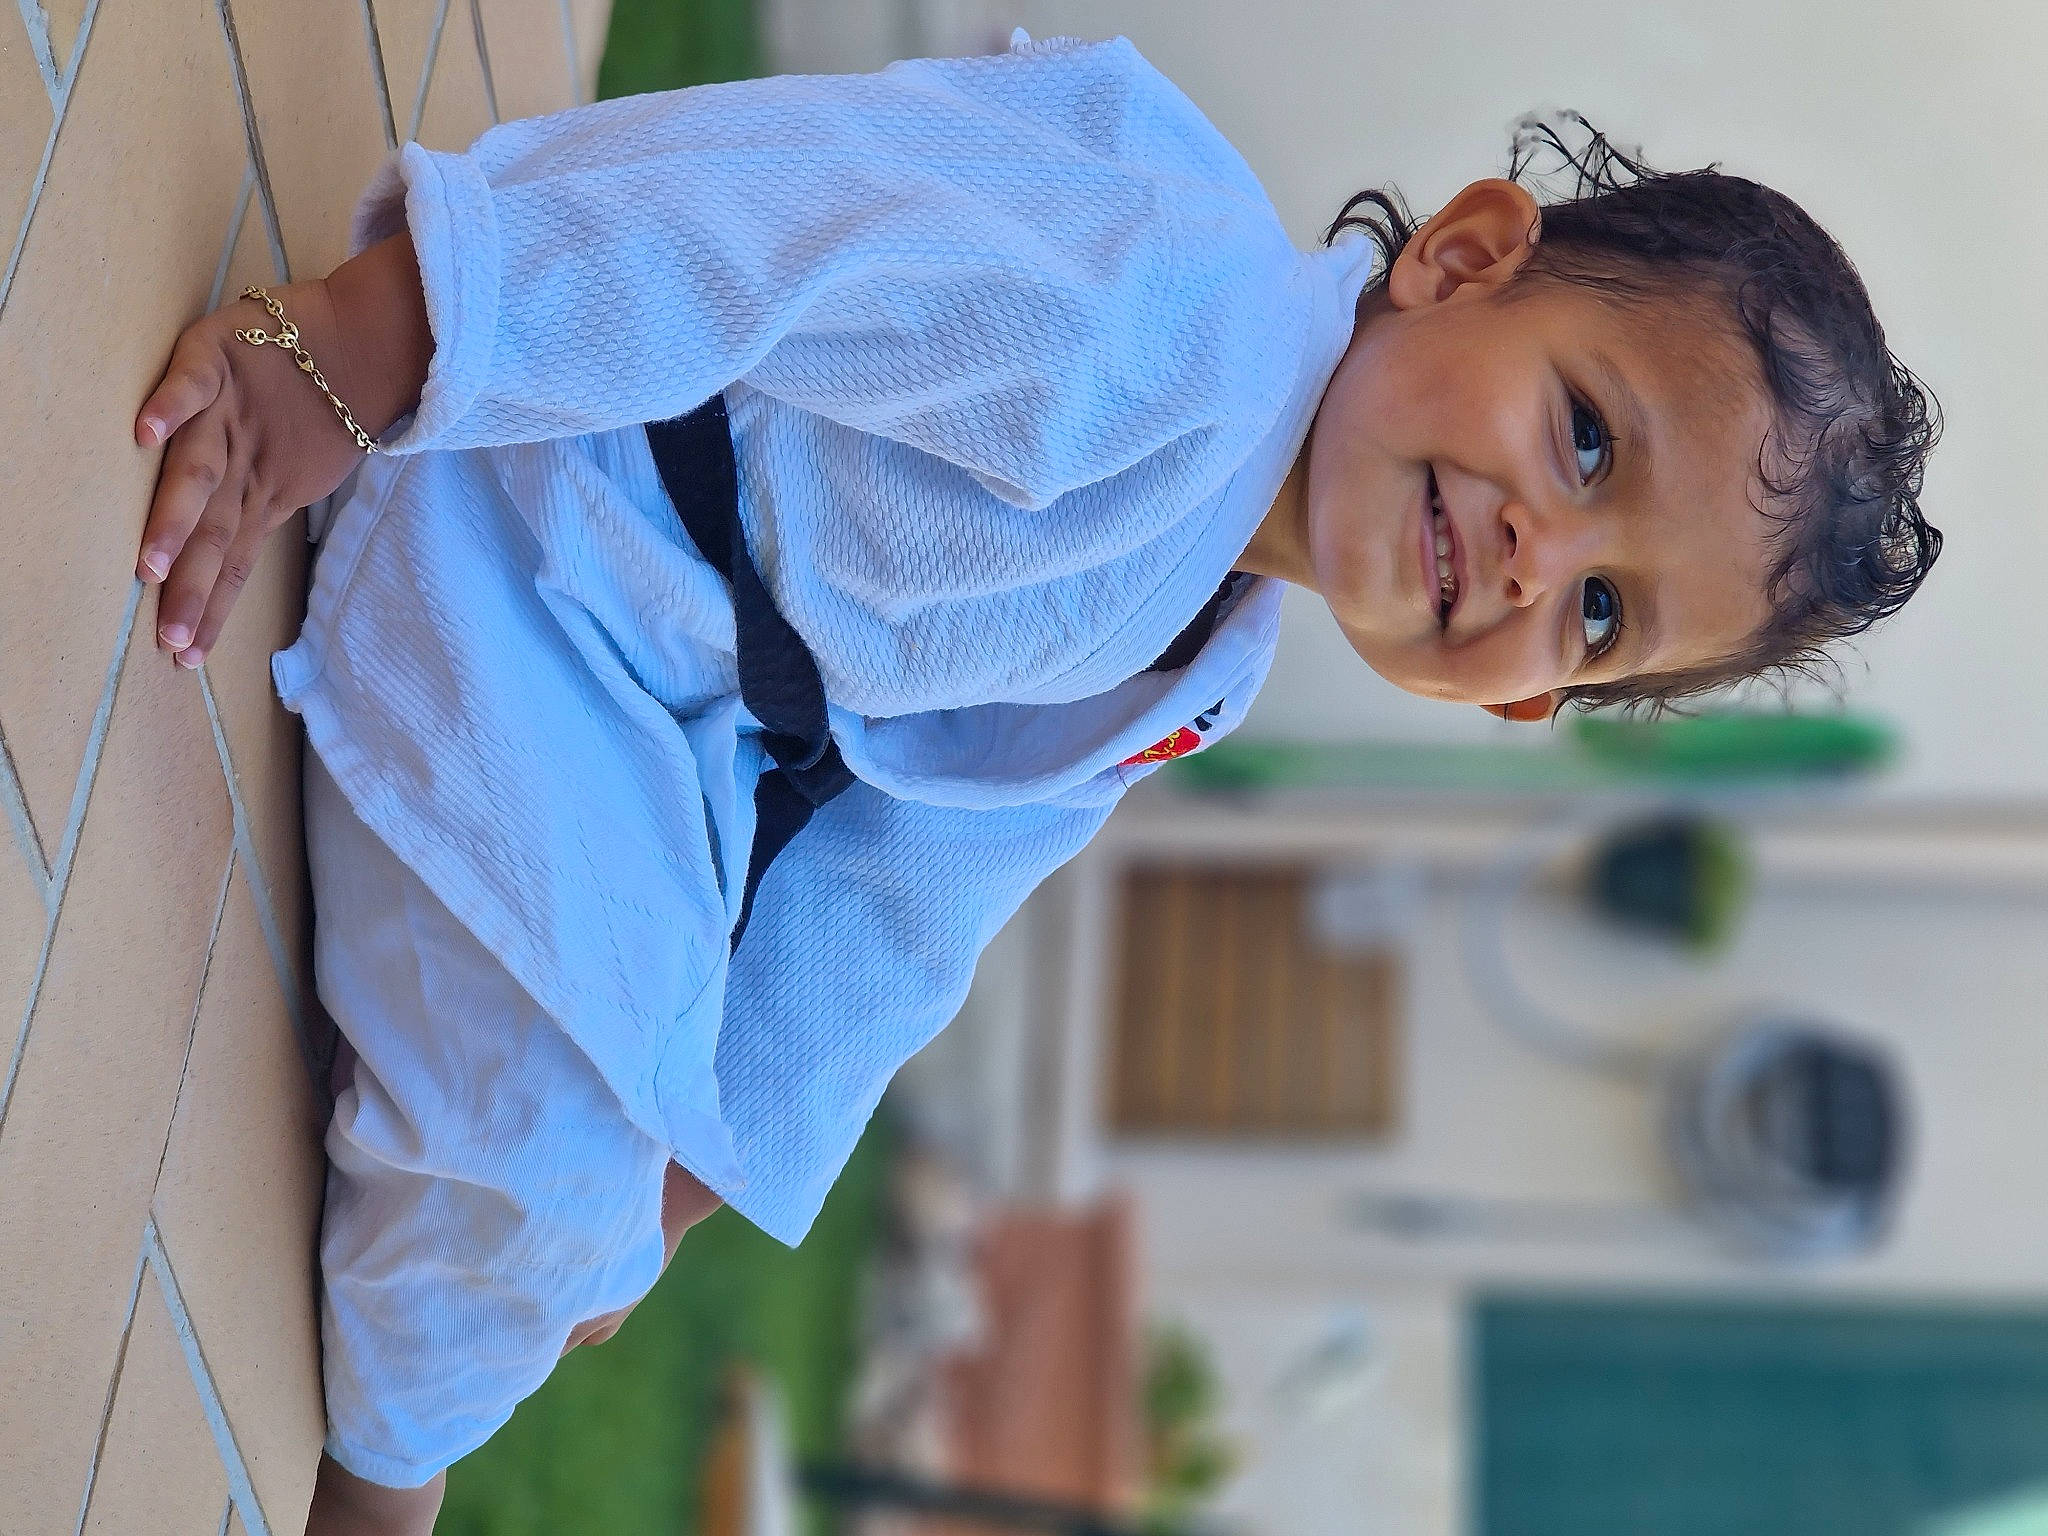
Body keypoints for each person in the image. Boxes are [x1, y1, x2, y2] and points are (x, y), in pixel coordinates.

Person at [127, 29, 1939, 1534]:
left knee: (600, 1183)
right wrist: (354, 357)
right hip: (537, 493)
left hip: (660, 706)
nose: (1542, 558)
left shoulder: (1213, 637)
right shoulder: (1162, 298)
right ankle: (384, 1479)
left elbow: (916, 884)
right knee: (527, 1148)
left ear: (1546, 703)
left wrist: (711, 1154)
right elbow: (760, 220)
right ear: (1463, 260)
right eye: (1587, 433)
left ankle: (481, 1219)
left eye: (1606, 613)